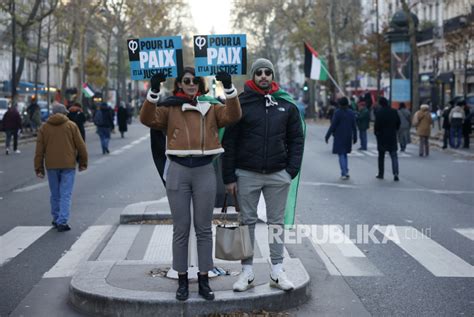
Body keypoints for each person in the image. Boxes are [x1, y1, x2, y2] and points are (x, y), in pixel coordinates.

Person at [140, 67, 241, 301]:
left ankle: (204, 281)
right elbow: (147, 119)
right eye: (187, 80)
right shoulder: (170, 107)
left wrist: (229, 87)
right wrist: (153, 91)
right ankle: (183, 281)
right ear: (179, 84)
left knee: (204, 229)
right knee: (181, 229)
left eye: (195, 80)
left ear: (201, 84)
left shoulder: (213, 106)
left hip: (205, 170)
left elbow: (234, 116)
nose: (191, 83)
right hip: (178, 170)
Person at [222, 58, 304, 292]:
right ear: (253, 76)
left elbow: (296, 139)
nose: (264, 76)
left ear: (273, 75)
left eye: (268, 72)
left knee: (276, 224)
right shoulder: (241, 103)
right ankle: (246, 273)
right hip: (246, 174)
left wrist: (290, 171)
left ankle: (277, 272)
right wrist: (228, 177)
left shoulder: (286, 105)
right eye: (259, 72)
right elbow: (230, 141)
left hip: (278, 174)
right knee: (246, 223)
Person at [34, 104, 88, 232]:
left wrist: (39, 168)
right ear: (64, 113)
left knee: (55, 194)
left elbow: (39, 151)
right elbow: (81, 146)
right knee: (66, 194)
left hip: (51, 165)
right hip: (68, 165)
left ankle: (56, 217)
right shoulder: (71, 126)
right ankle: (62, 221)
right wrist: (83, 163)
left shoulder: (44, 128)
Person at [325, 97, 357, 179]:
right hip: (348, 136)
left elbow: (333, 125)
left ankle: (344, 172)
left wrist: (327, 136)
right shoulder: (351, 113)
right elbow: (354, 126)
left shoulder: (338, 113)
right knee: (345, 153)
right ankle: (346, 170)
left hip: (339, 136)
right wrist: (355, 136)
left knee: (341, 154)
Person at [374, 97, 401, 181]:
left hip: (382, 136)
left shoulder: (379, 113)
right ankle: (395, 173)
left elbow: (376, 125)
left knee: (381, 156)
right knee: (394, 155)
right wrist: (395, 129)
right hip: (392, 136)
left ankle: (381, 173)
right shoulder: (394, 111)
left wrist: (376, 133)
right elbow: (398, 122)